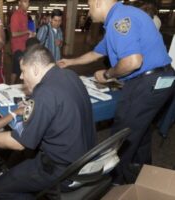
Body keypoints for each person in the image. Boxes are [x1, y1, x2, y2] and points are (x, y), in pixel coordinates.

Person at [58, 0, 175, 185]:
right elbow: (97, 53)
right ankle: (143, 177)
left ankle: (116, 184)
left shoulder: (119, 19)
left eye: (88, 6)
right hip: (162, 79)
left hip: (145, 82)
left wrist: (107, 74)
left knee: (121, 137)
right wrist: (70, 62)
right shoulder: (122, 16)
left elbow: (133, 61)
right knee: (140, 132)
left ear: (97, 3)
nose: (88, 12)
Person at [0, 44, 96, 199]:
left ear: (36, 68)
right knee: (25, 157)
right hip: (85, 158)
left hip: (64, 170)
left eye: (23, 71)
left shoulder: (44, 95)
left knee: (3, 187)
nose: (21, 77)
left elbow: (18, 142)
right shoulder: (70, 75)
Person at [9, 0, 35, 84]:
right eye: (25, 1)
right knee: (24, 68)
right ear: (19, 3)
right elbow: (13, 33)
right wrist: (27, 31)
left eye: (28, 2)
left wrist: (30, 35)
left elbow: (23, 31)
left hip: (24, 46)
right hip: (17, 48)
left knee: (16, 70)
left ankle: (11, 87)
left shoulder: (25, 15)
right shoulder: (16, 15)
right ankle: (14, 86)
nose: (28, 4)